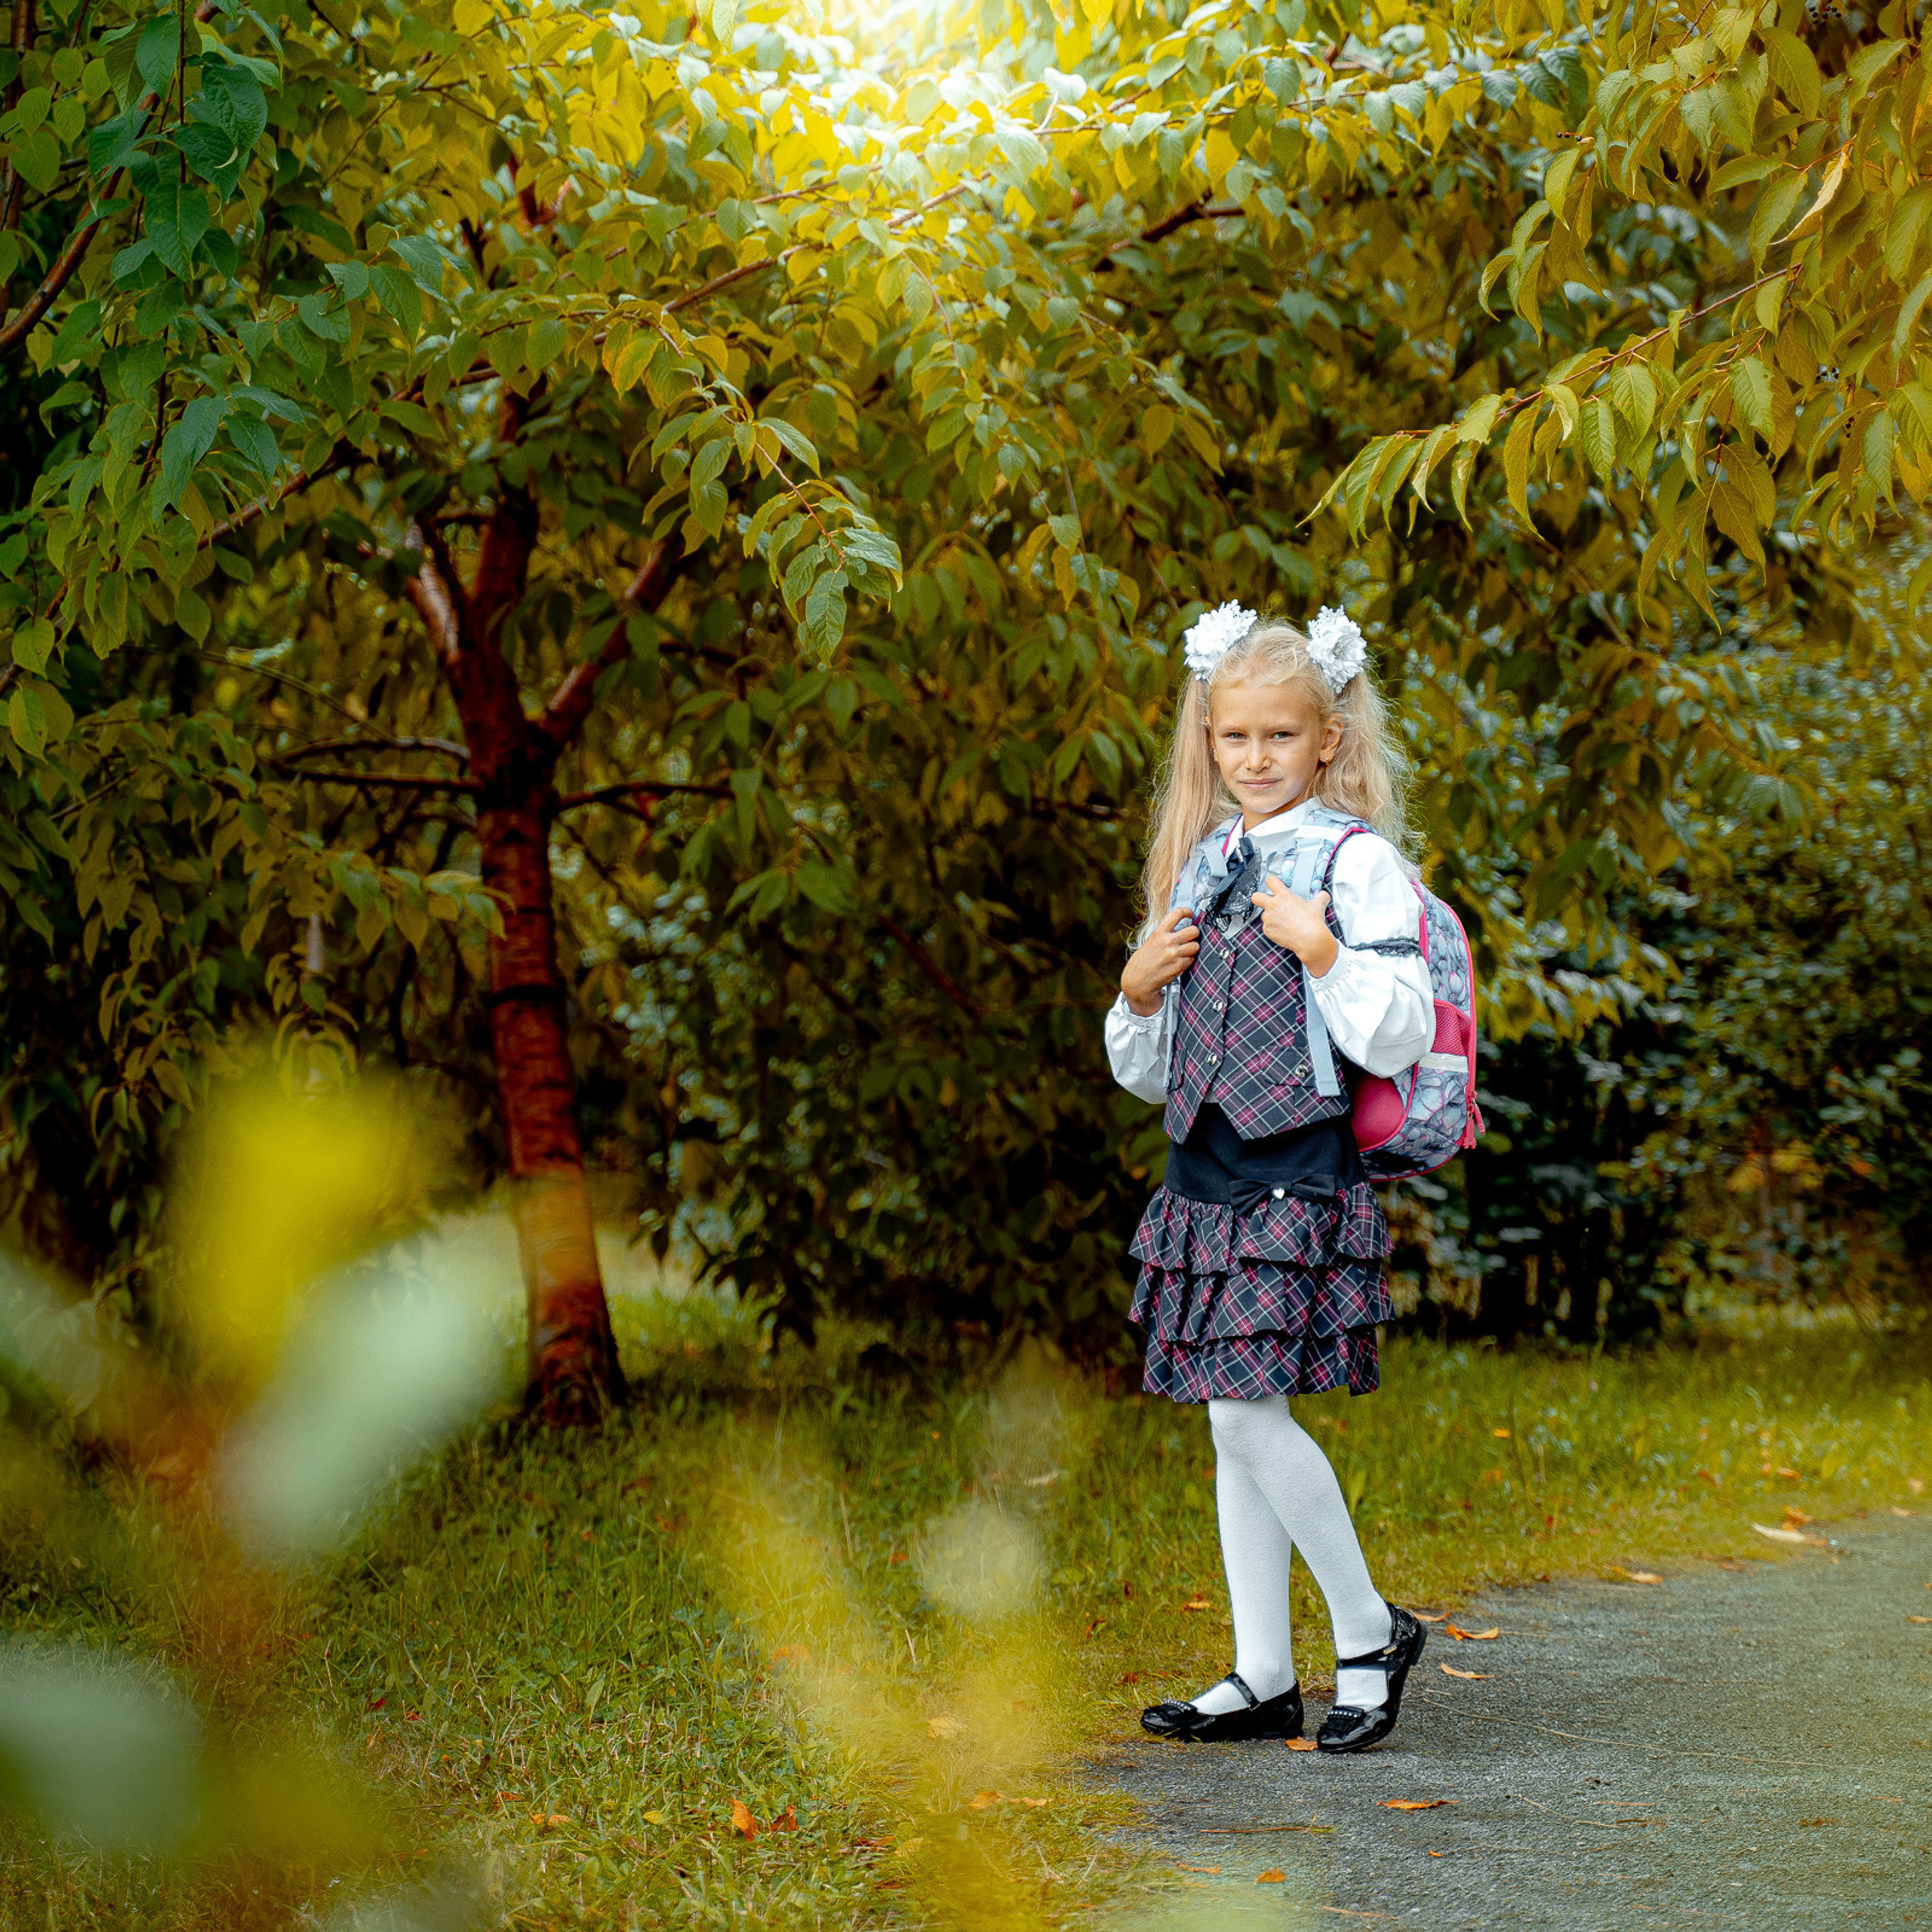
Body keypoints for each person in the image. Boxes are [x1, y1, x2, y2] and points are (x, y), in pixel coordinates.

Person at [1105, 601, 1431, 1754]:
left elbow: (1400, 1030)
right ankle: (1262, 1674)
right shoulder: (1200, 863)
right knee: (1232, 1418)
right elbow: (1153, 1069)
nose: (1255, 758)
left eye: (1280, 736)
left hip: (1295, 1166)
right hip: (1201, 1171)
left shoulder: (1356, 863)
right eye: (1235, 736)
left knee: (1243, 1407)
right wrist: (1138, 989)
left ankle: (1369, 1631)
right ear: (1209, 738)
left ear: (1328, 738)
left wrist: (1323, 947)